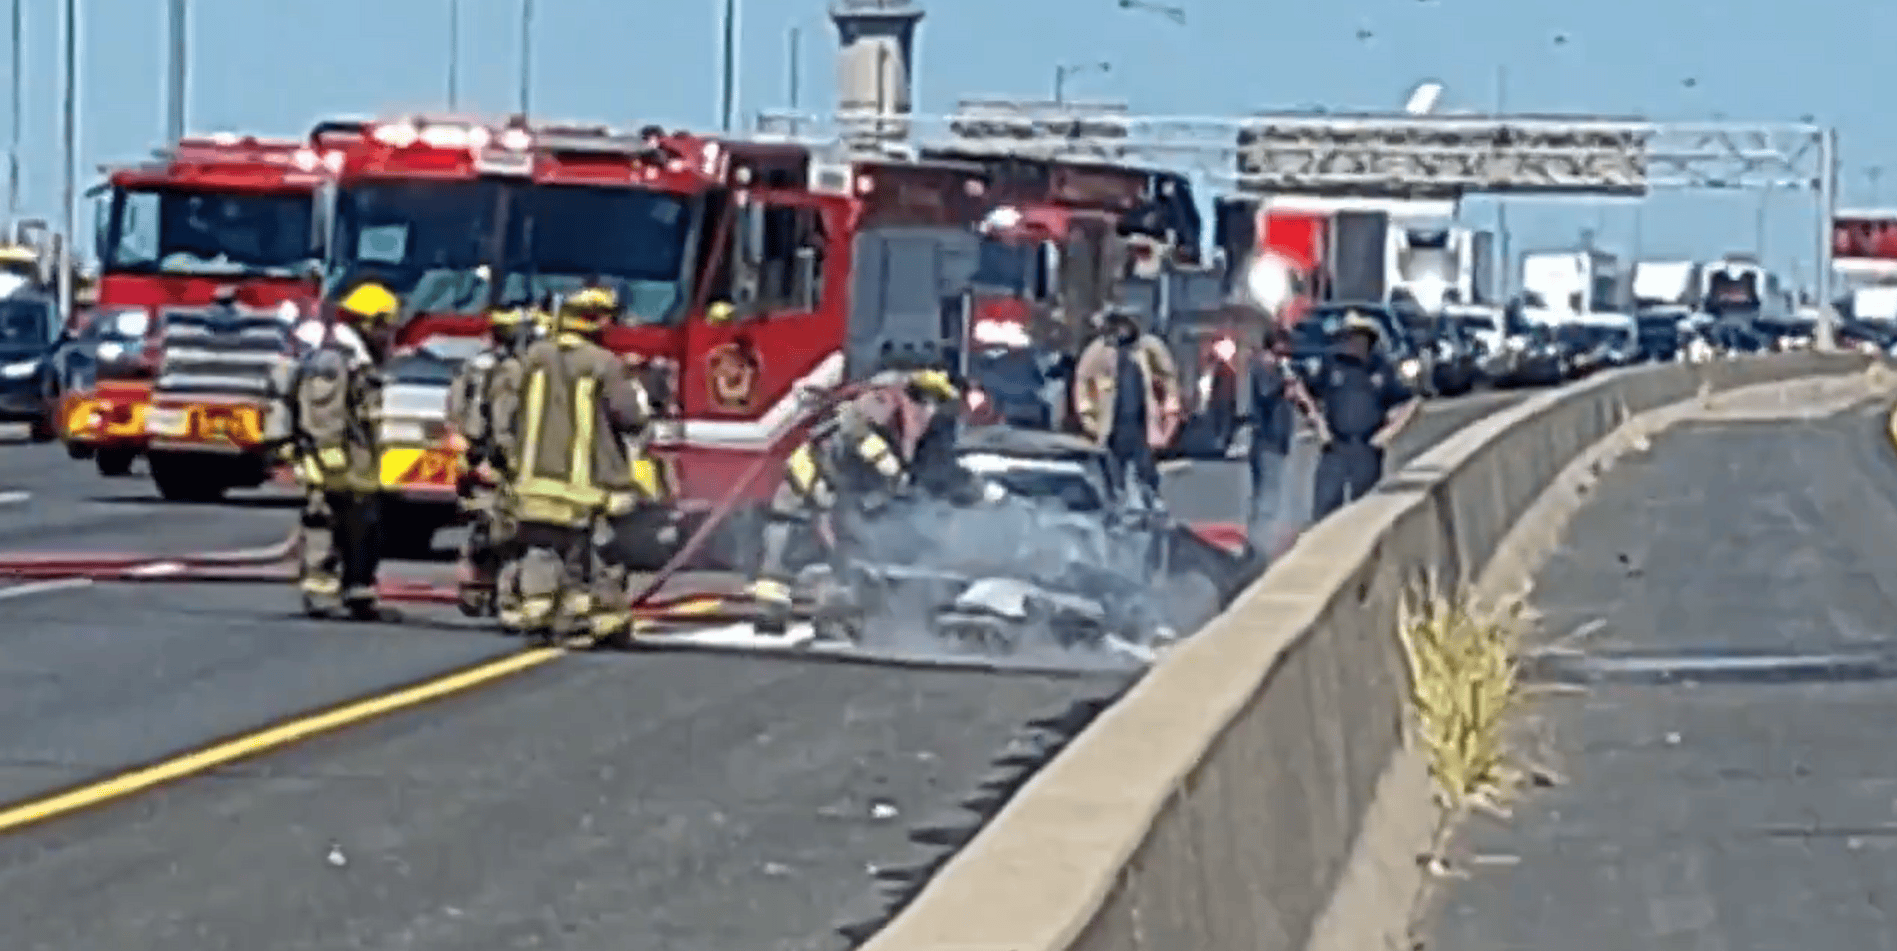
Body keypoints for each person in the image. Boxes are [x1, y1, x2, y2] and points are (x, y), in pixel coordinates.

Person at [746, 367, 963, 636]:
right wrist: (885, 464)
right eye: (926, 401)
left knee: (848, 551)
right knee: (786, 541)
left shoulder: (901, 420)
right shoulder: (878, 405)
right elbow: (854, 433)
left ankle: (840, 613)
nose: (929, 411)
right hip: (809, 480)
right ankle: (771, 613)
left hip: (838, 493)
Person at [501, 286, 651, 644]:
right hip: (587, 485)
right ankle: (599, 620)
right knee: (596, 556)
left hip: (532, 480)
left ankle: (537, 610)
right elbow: (630, 418)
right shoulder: (604, 364)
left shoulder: (531, 358)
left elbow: (506, 414)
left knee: (541, 546)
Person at [287, 280, 399, 620]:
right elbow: (323, 413)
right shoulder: (334, 360)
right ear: (368, 323)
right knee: (326, 519)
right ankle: (321, 589)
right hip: (335, 460)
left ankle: (358, 589)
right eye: (385, 327)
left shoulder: (359, 360)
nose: (389, 336)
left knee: (363, 525)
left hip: (356, 461)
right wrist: (329, 458)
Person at [445, 304, 532, 618]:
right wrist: (510, 460)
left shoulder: (475, 365)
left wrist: (465, 447)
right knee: (505, 531)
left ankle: (477, 592)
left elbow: (454, 409)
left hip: (476, 455)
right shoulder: (511, 371)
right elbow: (503, 421)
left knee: (484, 528)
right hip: (496, 459)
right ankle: (502, 596)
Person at [1308, 311, 1419, 520]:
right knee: (1324, 509)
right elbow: (1306, 392)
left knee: (1365, 512)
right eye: (1349, 336)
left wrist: (1389, 433)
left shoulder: (1381, 369)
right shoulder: (1332, 365)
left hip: (1368, 448)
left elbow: (1411, 402)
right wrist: (1318, 423)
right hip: (1335, 446)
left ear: (1368, 340)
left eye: (1357, 336)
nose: (1352, 341)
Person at [1072, 306, 1181, 496]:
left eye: (1125, 324)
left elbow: (1168, 379)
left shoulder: (1149, 348)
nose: (1122, 330)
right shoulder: (1098, 351)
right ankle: (1115, 505)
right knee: (1112, 476)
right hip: (1111, 427)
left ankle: (1150, 503)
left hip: (1141, 425)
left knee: (1146, 473)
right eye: (1117, 325)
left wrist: (1169, 415)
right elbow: (1083, 384)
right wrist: (1090, 421)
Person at [1247, 322, 1322, 559]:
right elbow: (1265, 394)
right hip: (1265, 441)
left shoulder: (1280, 371)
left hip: (1279, 441)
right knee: (1266, 496)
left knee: (1275, 491)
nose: (1283, 358)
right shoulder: (1260, 370)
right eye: (1278, 353)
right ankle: (1256, 547)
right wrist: (1284, 385)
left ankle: (1261, 543)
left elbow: (1300, 397)